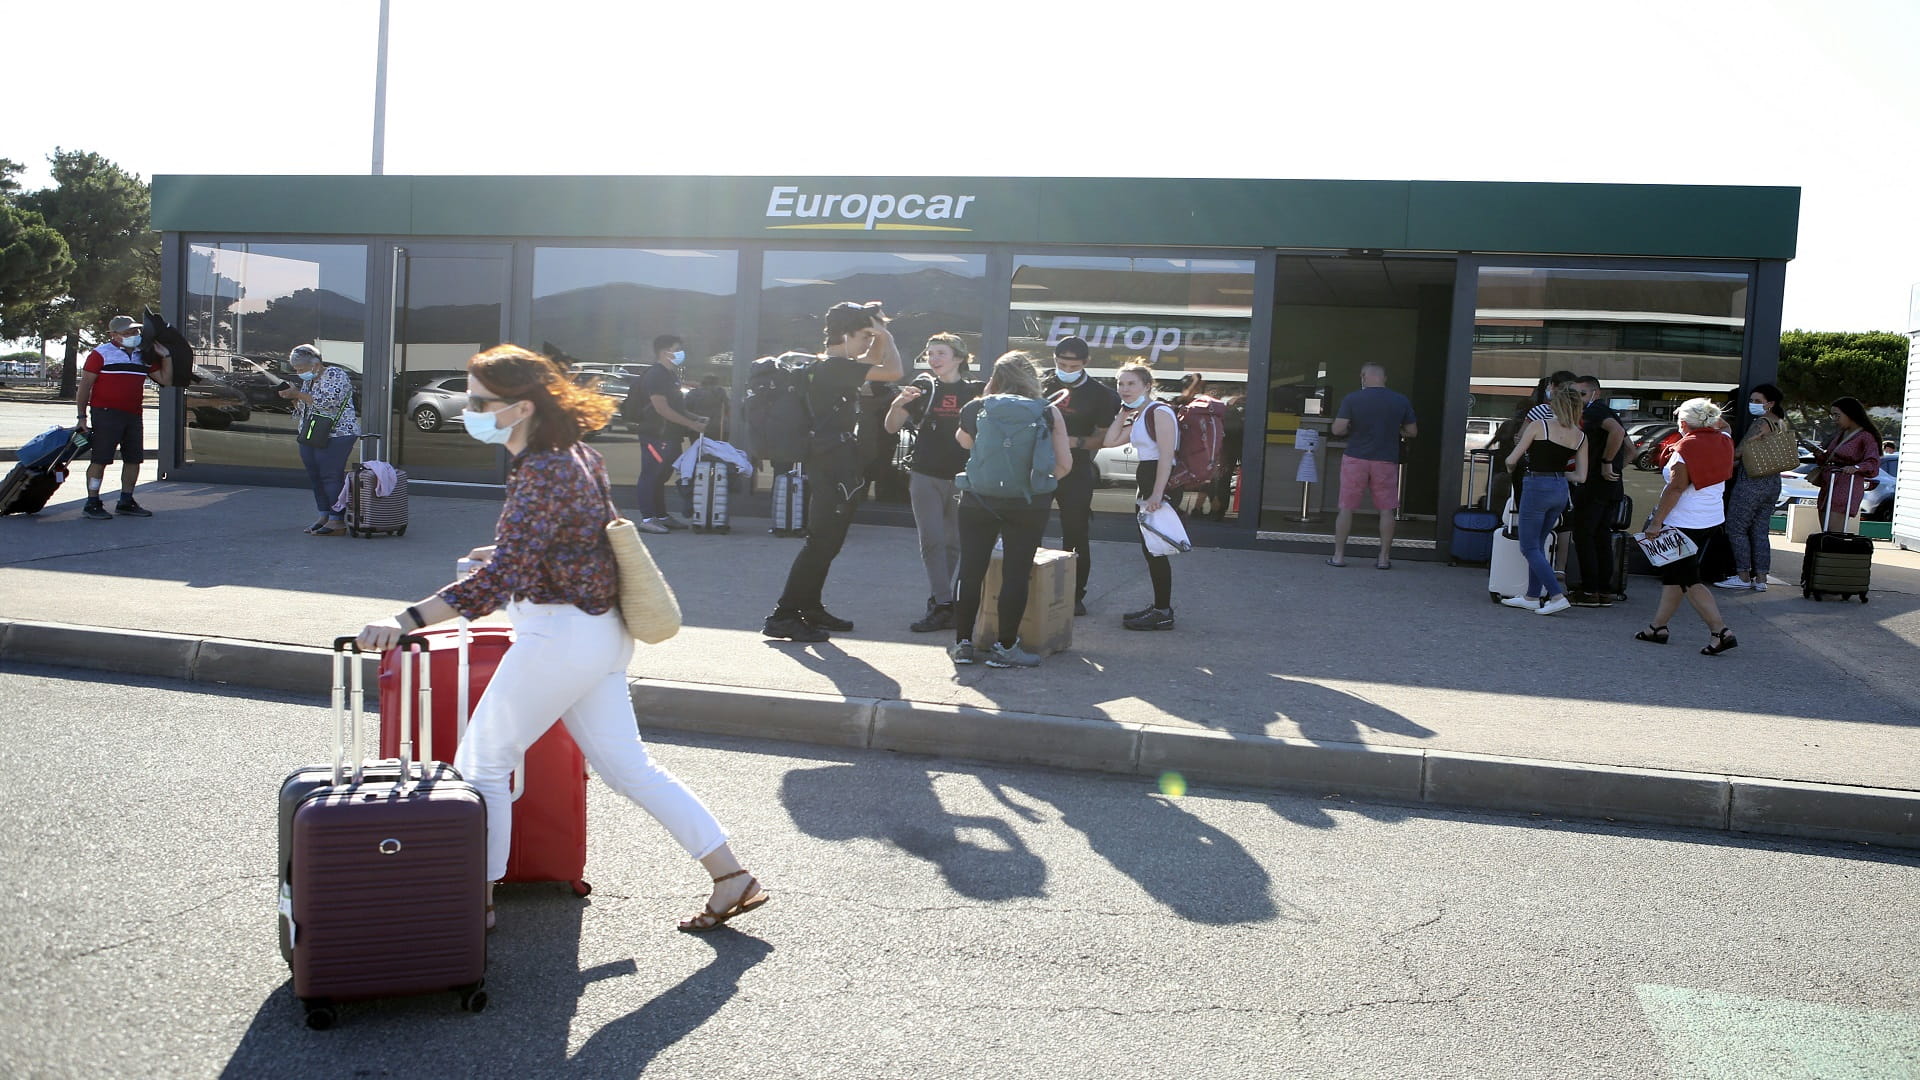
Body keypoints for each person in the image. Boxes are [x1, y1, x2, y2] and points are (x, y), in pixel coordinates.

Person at [354, 345, 767, 934]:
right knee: (630, 769)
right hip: (598, 633)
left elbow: (500, 581)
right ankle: (731, 875)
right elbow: (579, 538)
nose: (469, 410)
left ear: (521, 408)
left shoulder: (542, 469)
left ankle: (476, 901)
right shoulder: (575, 455)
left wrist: (405, 621)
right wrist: (510, 549)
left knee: (483, 765)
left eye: (480, 402)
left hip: (559, 634)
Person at [761, 302, 905, 642]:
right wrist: (885, 334)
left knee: (829, 541)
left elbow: (874, 360)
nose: (868, 343)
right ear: (846, 335)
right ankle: (783, 615)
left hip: (831, 459)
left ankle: (810, 607)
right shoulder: (835, 367)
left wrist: (875, 333)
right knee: (822, 542)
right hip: (831, 463)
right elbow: (893, 370)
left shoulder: (829, 365)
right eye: (864, 336)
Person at [948, 352, 1072, 666]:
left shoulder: (976, 407)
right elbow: (1064, 464)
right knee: (1016, 573)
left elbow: (964, 442)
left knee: (970, 570)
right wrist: (1034, 485)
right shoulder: (1048, 411)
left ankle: (962, 643)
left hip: (978, 500)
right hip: (1027, 505)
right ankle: (1005, 648)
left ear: (996, 377)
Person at [884, 332, 983, 633]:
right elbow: (890, 428)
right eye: (930, 353)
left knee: (953, 542)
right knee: (931, 539)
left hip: (962, 476)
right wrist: (898, 404)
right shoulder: (924, 389)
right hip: (925, 473)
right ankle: (942, 603)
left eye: (941, 353)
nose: (934, 359)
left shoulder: (975, 391)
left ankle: (940, 601)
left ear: (959, 358)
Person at [1636, 397, 1738, 656]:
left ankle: (1720, 631)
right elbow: (1724, 425)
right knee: (1676, 576)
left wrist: (1656, 522)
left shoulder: (1685, 448)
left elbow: (1676, 488)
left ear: (1683, 423)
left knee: (1688, 579)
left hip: (1683, 520)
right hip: (1710, 518)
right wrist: (1708, 415)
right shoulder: (1724, 439)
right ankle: (1658, 627)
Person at [1041, 335, 1121, 616]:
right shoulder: (1041, 384)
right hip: (1039, 466)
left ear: (1086, 362)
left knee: (1075, 532)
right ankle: (1028, 586)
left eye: (1073, 366)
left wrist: (1071, 441)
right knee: (1029, 528)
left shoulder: (1101, 394)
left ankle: (1074, 595)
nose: (1067, 369)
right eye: (1062, 364)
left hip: (1076, 468)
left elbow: (1102, 438)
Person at [1101, 361, 1181, 630]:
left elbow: (1166, 456)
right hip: (1146, 480)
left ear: (1147, 386)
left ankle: (1163, 612)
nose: (1124, 389)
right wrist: (1122, 414)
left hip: (1157, 482)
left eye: (1131, 383)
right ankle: (1160, 606)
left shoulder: (1159, 412)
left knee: (1156, 550)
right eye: (1120, 384)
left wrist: (1157, 494)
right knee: (1150, 549)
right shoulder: (1141, 414)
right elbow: (1110, 441)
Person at [1499, 383, 1589, 615]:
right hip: (1560, 489)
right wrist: (1559, 476)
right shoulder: (1580, 436)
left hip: (1536, 485)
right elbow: (1581, 476)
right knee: (1538, 544)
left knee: (1529, 547)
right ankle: (1531, 596)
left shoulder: (1539, 426)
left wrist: (1511, 469)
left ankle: (1556, 595)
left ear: (1555, 405)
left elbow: (1511, 459)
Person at [74, 314, 171, 520]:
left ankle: (126, 501)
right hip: (105, 414)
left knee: (133, 459)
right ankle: (92, 502)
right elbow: (85, 386)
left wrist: (166, 356)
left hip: (133, 414)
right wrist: (81, 416)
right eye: (128, 332)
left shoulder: (143, 355)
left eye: (136, 331)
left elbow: (165, 379)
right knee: (100, 459)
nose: (134, 335)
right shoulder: (100, 354)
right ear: (114, 335)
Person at [1327, 363, 1417, 569]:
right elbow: (1412, 431)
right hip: (1385, 460)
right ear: (1384, 378)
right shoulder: (1400, 400)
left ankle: (1338, 556)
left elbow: (1338, 429)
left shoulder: (1352, 399)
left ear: (1363, 377)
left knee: (1346, 508)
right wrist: (1396, 431)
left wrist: (1351, 429)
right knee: (1386, 510)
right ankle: (1383, 558)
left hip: (1355, 458)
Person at [1713, 384, 1791, 591]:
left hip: (1751, 482)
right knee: (1760, 530)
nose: (1753, 404)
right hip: (1772, 482)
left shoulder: (1761, 423)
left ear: (1770, 403)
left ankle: (1743, 575)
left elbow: (1740, 451)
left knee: (1736, 528)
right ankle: (1761, 578)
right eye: (1751, 400)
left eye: (1758, 401)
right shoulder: (1780, 423)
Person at [278, 344, 361, 536]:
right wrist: (292, 398)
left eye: (301, 369)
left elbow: (327, 403)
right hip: (312, 433)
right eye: (296, 370)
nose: (299, 373)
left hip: (338, 433)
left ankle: (337, 519)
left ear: (315, 364)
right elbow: (304, 409)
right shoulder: (310, 381)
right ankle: (324, 515)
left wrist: (298, 394)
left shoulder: (335, 374)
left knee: (330, 475)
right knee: (315, 475)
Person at [629, 335, 708, 535]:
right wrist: (692, 424)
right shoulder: (656, 375)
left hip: (670, 435)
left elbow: (676, 407)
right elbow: (661, 408)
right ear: (665, 352)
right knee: (650, 475)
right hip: (656, 436)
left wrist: (695, 417)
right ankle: (648, 519)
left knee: (661, 477)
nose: (681, 353)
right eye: (677, 349)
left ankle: (661, 516)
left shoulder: (670, 375)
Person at [1568, 376, 1628, 606]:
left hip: (1594, 483)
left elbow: (1618, 433)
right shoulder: (1608, 412)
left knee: (1585, 535)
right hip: (1609, 485)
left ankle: (1590, 590)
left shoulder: (1594, 412)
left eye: (1582, 394)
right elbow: (1630, 449)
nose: (1578, 398)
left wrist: (1606, 462)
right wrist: (1615, 468)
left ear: (1596, 393)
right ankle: (1603, 590)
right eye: (1574, 394)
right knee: (1601, 537)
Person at [1801, 397, 1883, 530]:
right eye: (1832, 415)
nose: (1834, 419)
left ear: (1850, 414)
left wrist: (1856, 467)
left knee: (1834, 528)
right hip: (1829, 485)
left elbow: (1873, 462)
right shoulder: (1841, 434)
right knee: (1825, 527)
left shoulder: (1866, 436)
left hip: (1846, 485)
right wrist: (1819, 454)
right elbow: (1829, 458)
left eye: (1837, 415)